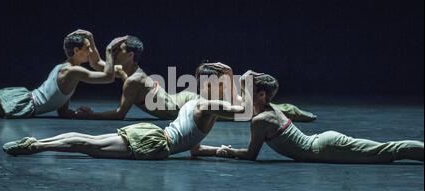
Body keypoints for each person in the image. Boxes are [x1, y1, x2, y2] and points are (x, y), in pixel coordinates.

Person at [2, 63, 251, 160]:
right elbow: (245, 110)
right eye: (225, 83)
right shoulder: (208, 106)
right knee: (91, 146)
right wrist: (244, 80)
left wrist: (222, 151)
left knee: (91, 143)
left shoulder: (196, 102)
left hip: (153, 135)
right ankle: (36, 146)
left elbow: (194, 148)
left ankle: (37, 144)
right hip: (154, 143)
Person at [80, 35, 316, 122]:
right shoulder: (130, 73)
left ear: (130, 55)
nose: (114, 53)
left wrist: (91, 116)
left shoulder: (133, 81)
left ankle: (289, 110)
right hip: (182, 98)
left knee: (244, 113)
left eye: (118, 50)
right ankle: (287, 109)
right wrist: (92, 41)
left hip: (184, 104)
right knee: (240, 110)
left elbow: (120, 114)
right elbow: (103, 68)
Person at [216, 72, 424, 163]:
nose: (243, 95)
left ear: (261, 95)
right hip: (323, 144)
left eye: (249, 91)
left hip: (326, 148)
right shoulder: (265, 109)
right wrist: (248, 77)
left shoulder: (261, 120)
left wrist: (226, 152)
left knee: (388, 151)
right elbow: (244, 82)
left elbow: (251, 155)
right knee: (387, 152)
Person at [0, 29, 120, 119]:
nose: (90, 52)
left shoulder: (67, 68)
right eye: (87, 48)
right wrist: (109, 51)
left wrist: (90, 37)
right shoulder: (73, 71)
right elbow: (108, 77)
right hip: (22, 104)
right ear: (76, 51)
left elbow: (62, 112)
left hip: (23, 99)